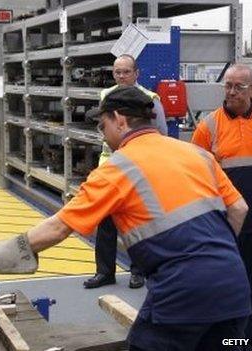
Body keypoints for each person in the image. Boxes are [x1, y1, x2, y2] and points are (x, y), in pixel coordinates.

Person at [0, 86, 251, 351]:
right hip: (234, 287)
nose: (102, 134)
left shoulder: (117, 168)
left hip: (182, 295)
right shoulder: (195, 154)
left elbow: (55, 229)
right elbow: (239, 209)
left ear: (120, 119)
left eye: (102, 125)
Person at [191, 63, 252, 347]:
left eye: (239, 87)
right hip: (219, 220)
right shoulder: (208, 126)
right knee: (218, 279)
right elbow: (198, 173)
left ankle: (246, 339)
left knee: (251, 280)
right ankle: (220, 337)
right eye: (228, 86)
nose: (232, 92)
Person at [84, 54, 167, 290]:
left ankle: (138, 271)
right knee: (106, 221)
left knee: (136, 221)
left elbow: (160, 133)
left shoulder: (150, 99)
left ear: (136, 73)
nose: (121, 76)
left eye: (126, 72)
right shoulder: (106, 96)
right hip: (110, 166)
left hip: (138, 167)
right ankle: (104, 272)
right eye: (117, 72)